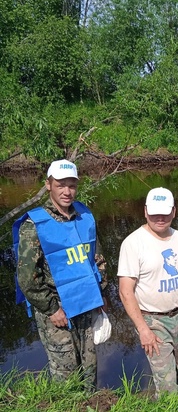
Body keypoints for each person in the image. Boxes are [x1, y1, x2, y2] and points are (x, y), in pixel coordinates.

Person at [13, 159, 108, 392]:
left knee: (89, 366)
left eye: (72, 185)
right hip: (57, 310)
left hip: (85, 304)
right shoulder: (35, 224)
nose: (67, 191)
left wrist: (100, 294)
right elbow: (27, 277)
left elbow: (98, 259)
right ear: (49, 185)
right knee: (65, 370)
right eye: (60, 185)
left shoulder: (84, 216)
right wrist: (52, 308)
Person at [117, 187, 178, 398]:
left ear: (174, 211)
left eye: (165, 212)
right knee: (166, 381)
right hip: (154, 321)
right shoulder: (133, 243)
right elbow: (126, 292)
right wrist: (143, 329)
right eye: (154, 212)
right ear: (145, 211)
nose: (160, 218)